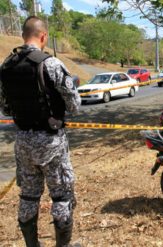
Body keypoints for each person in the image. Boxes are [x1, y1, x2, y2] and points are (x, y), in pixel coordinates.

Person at [0, 16, 81, 247]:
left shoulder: (6, 66)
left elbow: (5, 107)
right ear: (43, 36)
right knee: (61, 195)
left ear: (23, 35)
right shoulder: (50, 64)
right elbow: (74, 106)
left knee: (28, 196)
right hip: (50, 142)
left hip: (23, 141)